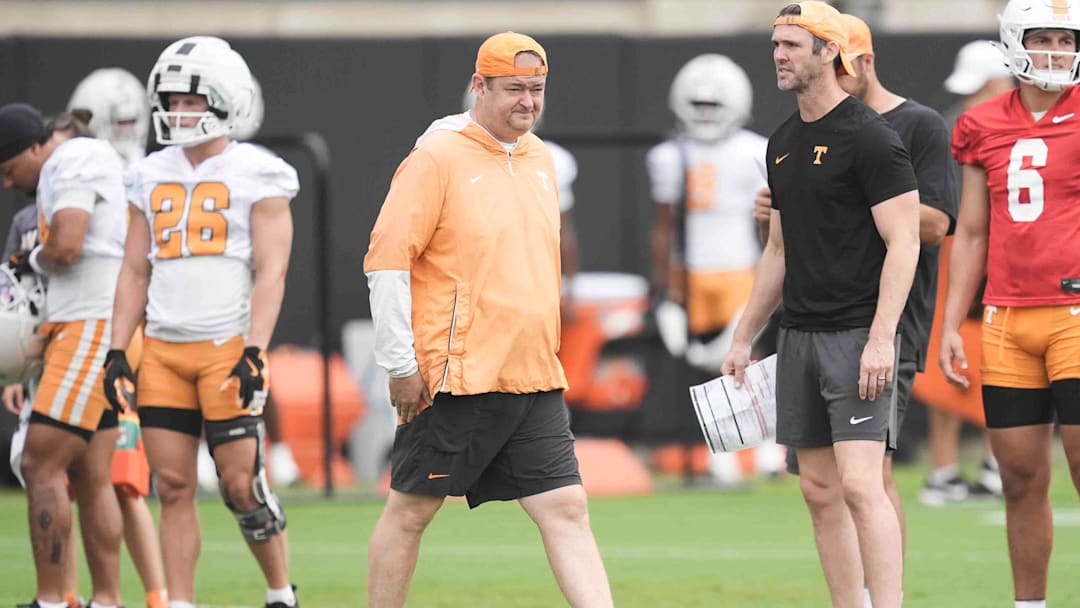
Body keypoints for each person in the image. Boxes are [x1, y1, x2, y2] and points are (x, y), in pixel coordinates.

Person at [363, 31, 613, 608]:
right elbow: (386, 261)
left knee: (567, 507)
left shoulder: (540, 158)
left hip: (532, 373)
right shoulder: (436, 157)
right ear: (479, 85)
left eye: (537, 89)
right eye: (514, 88)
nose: (528, 101)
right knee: (410, 511)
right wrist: (399, 362)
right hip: (458, 376)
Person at [722, 3, 920, 607]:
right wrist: (743, 336)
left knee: (861, 485)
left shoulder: (870, 136)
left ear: (829, 52)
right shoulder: (782, 142)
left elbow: (905, 241)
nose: (779, 55)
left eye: (791, 45)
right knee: (817, 489)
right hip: (798, 338)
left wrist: (882, 338)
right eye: (776, 44)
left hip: (858, 336)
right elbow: (778, 250)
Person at [103, 36, 300, 608]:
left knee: (241, 486)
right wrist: (117, 348)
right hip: (163, 352)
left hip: (224, 349)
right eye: (171, 101)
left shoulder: (259, 172)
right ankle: (180, 602)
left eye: (191, 100)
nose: (178, 112)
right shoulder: (148, 173)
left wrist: (255, 349)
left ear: (225, 100)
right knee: (172, 486)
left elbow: (272, 272)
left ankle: (280, 592)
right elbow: (134, 270)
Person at [940, 2, 1080, 606]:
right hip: (1005, 317)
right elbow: (972, 233)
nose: (1056, 50)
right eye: (1043, 37)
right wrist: (952, 322)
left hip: (1075, 313)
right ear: (1014, 42)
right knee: (1019, 479)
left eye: (1065, 39)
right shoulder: (980, 123)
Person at [0, 103, 128, 608]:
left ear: (35, 148)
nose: (7, 183)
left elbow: (68, 247)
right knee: (90, 477)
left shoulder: (73, 159)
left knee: (39, 461)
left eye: (8, 168)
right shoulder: (69, 164)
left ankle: (52, 600)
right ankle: (107, 600)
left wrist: (28, 258)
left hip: (89, 325)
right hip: (92, 323)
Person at [645, 53, 781, 485]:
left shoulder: (754, 150)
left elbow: (768, 222)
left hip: (740, 265)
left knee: (748, 356)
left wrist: (769, 272)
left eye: (713, 105)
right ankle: (724, 453)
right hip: (691, 271)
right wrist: (662, 285)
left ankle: (766, 449)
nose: (705, 114)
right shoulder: (669, 154)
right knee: (710, 366)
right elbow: (664, 225)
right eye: (698, 105)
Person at [68, 67, 170, 608]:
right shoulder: (134, 176)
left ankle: (144, 594)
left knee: (116, 479)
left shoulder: (141, 179)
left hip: (115, 340)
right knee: (85, 478)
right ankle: (75, 593)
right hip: (112, 339)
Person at [913, 40, 1014, 506]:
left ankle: (995, 465)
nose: (972, 99)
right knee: (952, 359)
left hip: (1007, 255)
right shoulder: (955, 126)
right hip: (960, 252)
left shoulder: (1024, 126)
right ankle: (946, 470)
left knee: (1000, 360)